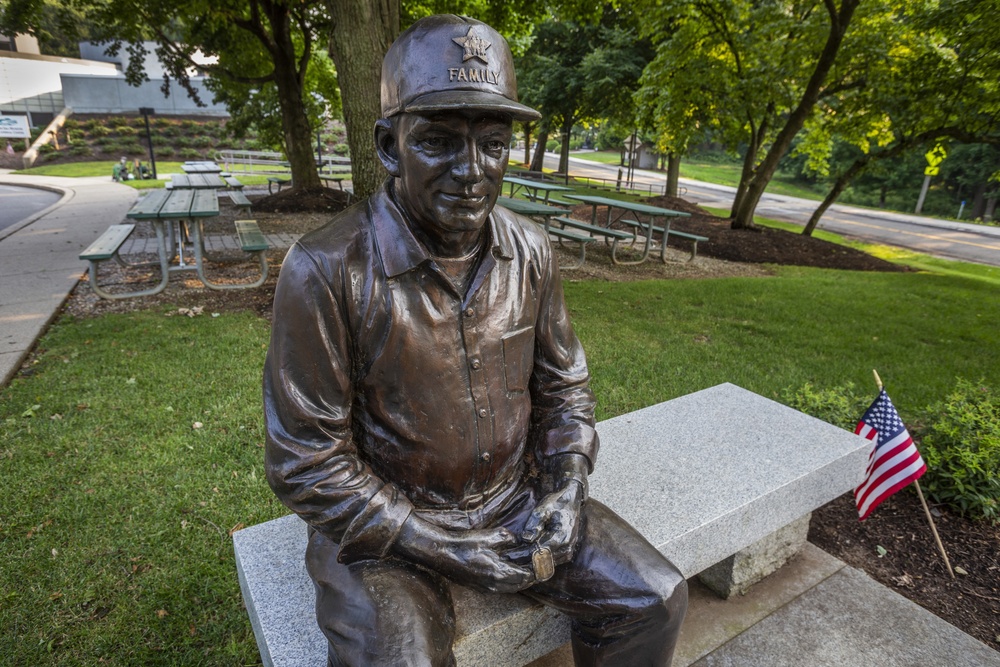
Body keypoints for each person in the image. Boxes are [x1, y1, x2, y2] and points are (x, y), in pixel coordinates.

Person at [263, 14, 687, 667]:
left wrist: (567, 482)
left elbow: (564, 385)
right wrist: (438, 542)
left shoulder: (531, 249)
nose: (472, 170)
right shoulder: (325, 270)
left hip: (517, 499)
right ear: (387, 145)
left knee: (653, 597)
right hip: (387, 532)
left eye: (493, 144)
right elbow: (306, 460)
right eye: (438, 141)